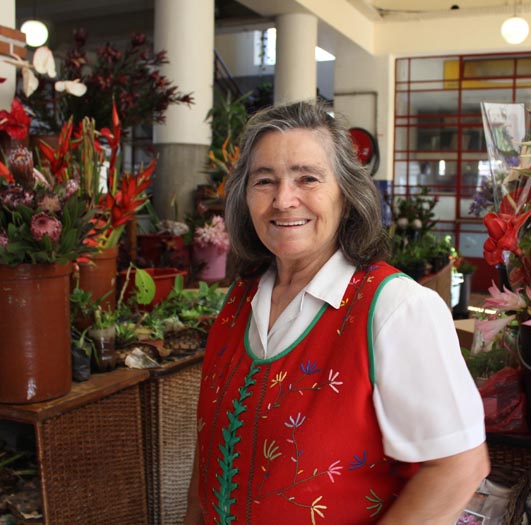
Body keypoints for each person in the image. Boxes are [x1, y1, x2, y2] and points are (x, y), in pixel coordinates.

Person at [185, 100, 489, 525]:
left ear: (346, 195)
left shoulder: (396, 308)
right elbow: (210, 446)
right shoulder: (239, 300)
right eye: (264, 181)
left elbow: (458, 468)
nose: (283, 200)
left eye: (307, 178)